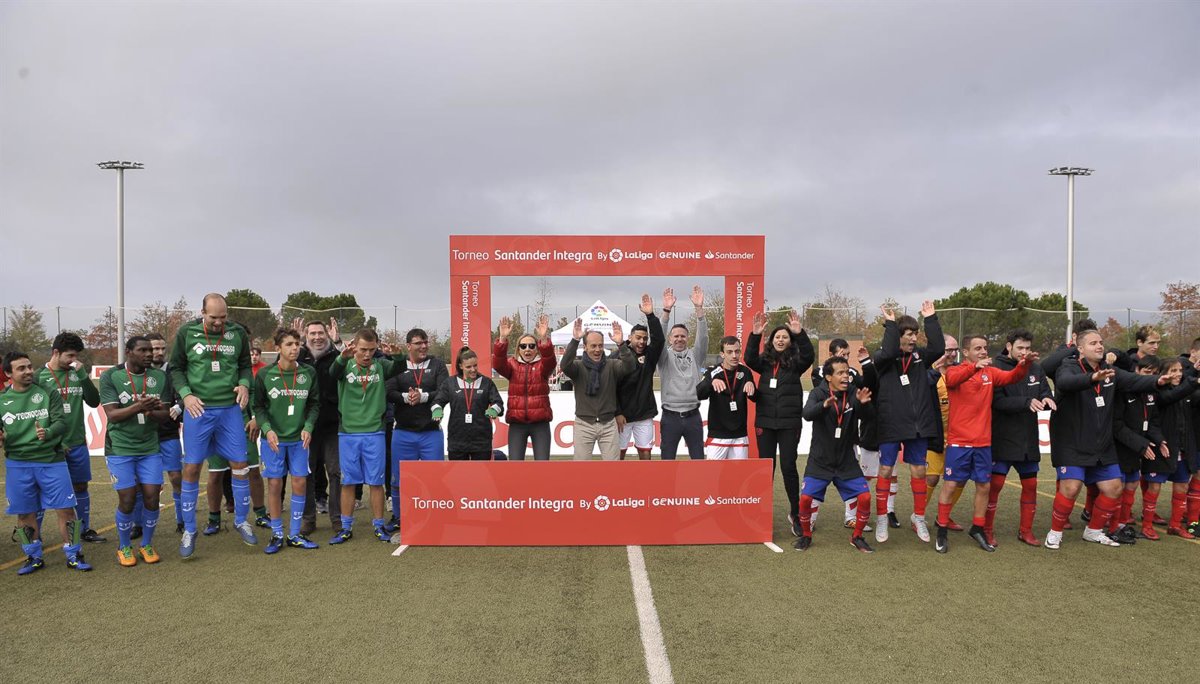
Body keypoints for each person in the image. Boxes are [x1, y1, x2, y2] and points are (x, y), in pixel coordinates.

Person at [1045, 329, 1171, 549]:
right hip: (1072, 442)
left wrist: (1158, 381)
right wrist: (1092, 378)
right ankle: (1054, 533)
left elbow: (1133, 380)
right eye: (1093, 343)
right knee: (1071, 488)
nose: (1100, 346)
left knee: (1114, 487)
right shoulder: (1068, 366)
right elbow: (1065, 383)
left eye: (1101, 342)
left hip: (1102, 444)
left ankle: (1093, 531)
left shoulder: (1110, 370)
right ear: (1080, 348)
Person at [168, 293, 256, 558]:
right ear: (203, 312)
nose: (219, 322)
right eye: (214, 317)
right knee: (192, 467)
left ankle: (241, 520)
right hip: (199, 409)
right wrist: (186, 395)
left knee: (240, 464)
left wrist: (245, 384)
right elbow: (175, 368)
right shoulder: (187, 333)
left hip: (229, 410)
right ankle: (189, 529)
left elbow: (245, 366)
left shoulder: (237, 333)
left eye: (223, 317)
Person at [934, 335, 1034, 553]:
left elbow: (1011, 378)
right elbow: (952, 380)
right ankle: (941, 530)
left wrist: (1024, 365)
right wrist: (974, 368)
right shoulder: (955, 371)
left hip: (983, 442)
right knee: (950, 485)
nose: (983, 351)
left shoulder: (990, 372)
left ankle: (978, 528)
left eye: (985, 348)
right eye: (977, 348)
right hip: (959, 442)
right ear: (965, 352)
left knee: (984, 486)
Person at [2, 351, 92, 574]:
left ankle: (74, 554)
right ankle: (33, 556)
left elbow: (61, 423)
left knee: (66, 510)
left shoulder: (47, 392)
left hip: (52, 461)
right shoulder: (2, 400)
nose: (28, 371)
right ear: (8, 374)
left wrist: (48, 432)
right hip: (18, 464)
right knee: (25, 514)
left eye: (29, 366)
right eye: (21, 368)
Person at [871, 302, 945, 544]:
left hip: (918, 425)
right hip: (891, 423)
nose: (914, 339)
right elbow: (888, 352)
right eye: (909, 334)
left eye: (916, 334)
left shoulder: (919, 357)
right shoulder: (883, 358)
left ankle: (918, 517)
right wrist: (891, 324)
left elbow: (938, 347)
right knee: (885, 469)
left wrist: (930, 319)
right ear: (898, 336)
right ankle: (882, 517)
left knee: (919, 470)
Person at [99, 337, 171, 566]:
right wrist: (140, 406)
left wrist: (150, 412)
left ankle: (146, 544)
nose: (149, 354)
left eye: (150, 350)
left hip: (149, 447)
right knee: (128, 498)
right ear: (129, 352)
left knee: (152, 496)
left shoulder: (160, 377)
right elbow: (113, 415)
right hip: (119, 447)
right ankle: (124, 547)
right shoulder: (111, 376)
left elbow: (166, 415)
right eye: (143, 350)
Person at [329, 328, 406, 544]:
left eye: (372, 350)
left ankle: (379, 526)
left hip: (375, 432)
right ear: (354, 346)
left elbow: (398, 368)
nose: (367, 354)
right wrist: (341, 358)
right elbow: (332, 373)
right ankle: (345, 527)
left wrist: (398, 355)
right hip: (348, 433)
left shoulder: (380, 365)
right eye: (363, 349)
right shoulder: (344, 364)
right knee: (348, 482)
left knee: (376, 481)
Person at [744, 309, 814, 535]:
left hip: (789, 424)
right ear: (772, 340)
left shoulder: (796, 363)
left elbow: (809, 355)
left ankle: (795, 513)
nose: (781, 340)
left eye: (785, 337)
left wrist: (799, 333)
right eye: (777, 337)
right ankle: (761, 513)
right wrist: (755, 335)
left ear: (789, 341)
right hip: (765, 423)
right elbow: (749, 359)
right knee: (766, 468)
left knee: (788, 467)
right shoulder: (764, 362)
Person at [253, 327, 321, 553]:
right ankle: (276, 534)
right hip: (273, 439)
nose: (294, 348)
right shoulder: (265, 374)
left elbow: (314, 404)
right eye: (289, 344)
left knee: (300, 482)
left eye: (297, 344)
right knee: (274, 483)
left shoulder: (309, 373)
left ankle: (294, 534)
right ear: (277, 348)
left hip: (299, 439)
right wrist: (267, 429)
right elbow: (258, 407)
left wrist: (308, 427)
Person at [796, 357, 875, 553]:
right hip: (820, 460)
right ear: (829, 377)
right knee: (805, 499)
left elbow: (869, 417)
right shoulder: (818, 393)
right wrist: (823, 405)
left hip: (845, 460)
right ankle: (806, 536)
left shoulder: (853, 392)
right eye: (840, 373)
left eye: (847, 372)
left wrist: (864, 405)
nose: (845, 376)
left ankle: (857, 537)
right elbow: (807, 414)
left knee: (865, 497)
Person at [36, 332, 105, 543]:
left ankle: (84, 529)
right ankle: (35, 534)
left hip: (77, 442)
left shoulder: (77, 374)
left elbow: (94, 402)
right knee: (40, 489)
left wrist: (83, 376)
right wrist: (54, 439)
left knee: (81, 486)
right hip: (49, 445)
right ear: (56, 352)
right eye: (70, 356)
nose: (74, 360)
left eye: (76, 356)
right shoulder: (38, 377)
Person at [989, 330, 1055, 546]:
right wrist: (1026, 402)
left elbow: (1045, 391)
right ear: (1009, 346)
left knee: (1031, 485)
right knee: (995, 485)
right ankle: (986, 529)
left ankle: (1025, 531)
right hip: (1003, 438)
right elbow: (997, 402)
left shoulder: (1036, 367)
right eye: (1020, 348)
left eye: (1027, 348)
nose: (1024, 352)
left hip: (1028, 438)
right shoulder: (996, 367)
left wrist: (1047, 399)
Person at [386, 328, 450, 531]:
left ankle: (436, 516)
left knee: (435, 478)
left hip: (431, 431)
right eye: (418, 343)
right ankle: (398, 516)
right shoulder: (397, 364)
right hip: (403, 432)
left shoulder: (437, 364)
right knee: (398, 479)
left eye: (425, 342)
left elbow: (445, 390)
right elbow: (388, 391)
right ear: (408, 346)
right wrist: (406, 397)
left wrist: (423, 397)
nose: (423, 346)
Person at [560, 319, 636, 460]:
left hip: (608, 424)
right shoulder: (578, 367)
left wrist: (621, 344)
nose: (597, 350)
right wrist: (575, 340)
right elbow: (564, 365)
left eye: (600, 345)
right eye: (593, 346)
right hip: (584, 424)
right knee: (581, 468)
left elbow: (630, 367)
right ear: (585, 347)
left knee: (613, 468)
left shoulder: (612, 365)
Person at [296, 318, 344, 536]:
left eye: (320, 333)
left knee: (335, 472)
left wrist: (339, 343)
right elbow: (281, 365)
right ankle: (308, 519)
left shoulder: (336, 355)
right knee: (306, 473)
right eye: (312, 333)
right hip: (306, 427)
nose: (317, 337)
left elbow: (349, 365)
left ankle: (337, 518)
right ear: (306, 336)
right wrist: (296, 342)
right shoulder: (299, 355)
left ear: (327, 334)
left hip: (333, 425)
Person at [1112, 355, 1166, 541]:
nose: (1150, 376)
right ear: (1136, 371)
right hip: (1120, 447)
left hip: (1137, 449)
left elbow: (1153, 422)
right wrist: (1140, 444)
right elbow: (1116, 426)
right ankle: (1112, 524)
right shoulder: (1122, 391)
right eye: (1146, 372)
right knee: (1116, 487)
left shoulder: (1151, 394)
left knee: (1132, 483)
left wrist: (1159, 440)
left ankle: (1122, 523)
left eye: (1154, 373)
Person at [493, 314, 555, 460]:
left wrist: (544, 339)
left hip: (540, 424)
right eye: (523, 346)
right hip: (517, 424)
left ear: (537, 349)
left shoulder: (542, 366)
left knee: (543, 466)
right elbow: (498, 364)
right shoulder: (512, 365)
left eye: (532, 346)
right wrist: (502, 339)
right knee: (515, 467)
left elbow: (550, 360)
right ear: (518, 349)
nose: (527, 349)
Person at [657, 286, 707, 460]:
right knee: (667, 460)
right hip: (670, 417)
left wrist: (699, 309)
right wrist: (666, 311)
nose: (679, 339)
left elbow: (703, 338)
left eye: (683, 336)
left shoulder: (696, 355)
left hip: (693, 416)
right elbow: (658, 339)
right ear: (670, 339)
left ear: (688, 338)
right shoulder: (664, 357)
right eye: (676, 336)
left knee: (698, 459)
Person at [1152, 356, 1200, 538]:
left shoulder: (1186, 391)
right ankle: (1146, 524)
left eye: (1180, 370)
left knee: (1182, 486)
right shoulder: (1159, 391)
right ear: (1163, 374)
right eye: (1173, 371)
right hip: (1162, 448)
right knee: (1154, 487)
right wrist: (1194, 380)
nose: (1178, 374)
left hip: (1183, 448)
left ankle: (1175, 525)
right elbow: (1171, 396)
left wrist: (1194, 373)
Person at [614, 295, 665, 461]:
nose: (642, 341)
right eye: (638, 338)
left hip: (644, 415)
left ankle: (646, 479)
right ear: (630, 338)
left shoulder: (650, 354)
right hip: (622, 417)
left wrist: (650, 316)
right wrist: (617, 412)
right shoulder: (617, 356)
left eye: (645, 338)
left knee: (645, 453)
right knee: (618, 454)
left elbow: (659, 339)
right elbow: (610, 388)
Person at [921, 336, 961, 533]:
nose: (952, 354)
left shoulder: (961, 371)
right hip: (934, 435)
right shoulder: (927, 372)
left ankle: (943, 516)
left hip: (958, 437)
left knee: (958, 479)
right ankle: (918, 516)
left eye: (955, 350)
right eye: (948, 350)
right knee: (932, 478)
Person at [147, 332, 185, 533]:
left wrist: (179, 406)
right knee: (146, 483)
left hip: (169, 432)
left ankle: (182, 520)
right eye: (155, 348)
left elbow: (185, 392)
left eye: (162, 348)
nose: (159, 352)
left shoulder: (173, 370)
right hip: (144, 435)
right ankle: (140, 523)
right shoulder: (138, 372)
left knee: (176, 477)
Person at [696, 336, 757, 459]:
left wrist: (752, 386)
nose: (734, 356)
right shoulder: (713, 371)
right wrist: (711, 382)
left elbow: (755, 398)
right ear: (722, 354)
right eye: (729, 352)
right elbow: (699, 394)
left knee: (739, 471)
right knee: (714, 471)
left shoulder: (745, 372)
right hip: (718, 435)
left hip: (739, 435)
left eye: (737, 351)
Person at [442, 347, 503, 460]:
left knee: (481, 471)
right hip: (457, 440)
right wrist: (437, 409)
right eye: (468, 367)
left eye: (475, 365)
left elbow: (498, 402)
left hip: (481, 441)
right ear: (461, 366)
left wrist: (494, 409)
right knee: (458, 471)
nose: (473, 369)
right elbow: (438, 401)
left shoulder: (486, 382)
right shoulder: (450, 383)